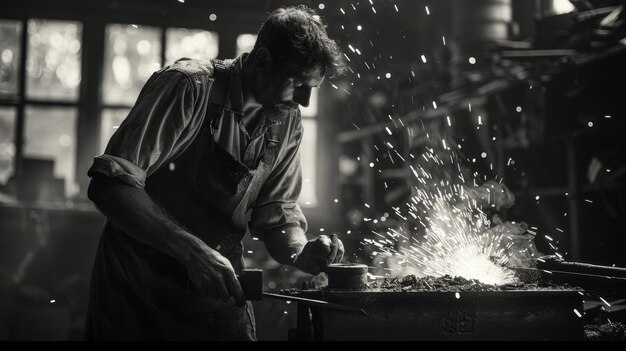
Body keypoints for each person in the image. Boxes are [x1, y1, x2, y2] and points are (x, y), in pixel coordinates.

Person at [85, 6, 346, 340]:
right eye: (297, 83)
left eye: (312, 87)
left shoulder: (287, 122)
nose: (305, 101)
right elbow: (109, 185)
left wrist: (301, 250)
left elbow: (278, 218)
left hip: (217, 292)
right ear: (263, 60)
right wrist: (193, 252)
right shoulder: (188, 87)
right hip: (136, 288)